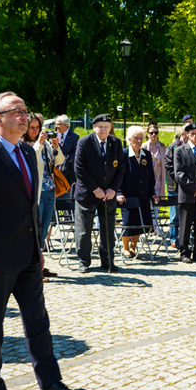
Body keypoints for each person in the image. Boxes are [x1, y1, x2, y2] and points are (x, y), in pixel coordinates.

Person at [0, 91, 88, 390]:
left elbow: (31, 209)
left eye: (24, 110)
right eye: (15, 111)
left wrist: (39, 249)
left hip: (29, 258)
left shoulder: (27, 153)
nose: (23, 116)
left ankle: (49, 384)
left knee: (38, 322)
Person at [72, 114, 126, 273]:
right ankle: (84, 261)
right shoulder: (84, 142)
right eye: (100, 126)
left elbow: (121, 169)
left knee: (108, 230)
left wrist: (113, 190)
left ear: (110, 128)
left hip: (108, 195)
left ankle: (108, 261)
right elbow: (79, 169)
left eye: (106, 126)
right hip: (87, 194)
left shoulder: (116, 143)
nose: (103, 129)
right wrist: (95, 189)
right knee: (84, 231)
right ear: (94, 126)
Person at [25, 114, 61, 278]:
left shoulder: (45, 144)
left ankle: (39, 264)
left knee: (44, 229)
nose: (35, 130)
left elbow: (60, 161)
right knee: (35, 229)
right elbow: (32, 160)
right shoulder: (25, 144)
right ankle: (34, 268)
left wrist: (56, 146)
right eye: (32, 127)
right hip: (36, 192)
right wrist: (39, 143)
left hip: (50, 190)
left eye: (37, 128)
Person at [117, 125, 158, 258]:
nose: (139, 141)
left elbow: (151, 175)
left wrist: (152, 192)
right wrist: (119, 192)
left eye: (141, 138)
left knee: (140, 223)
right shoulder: (123, 154)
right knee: (129, 222)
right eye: (136, 138)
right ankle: (125, 248)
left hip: (143, 195)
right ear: (129, 139)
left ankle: (133, 247)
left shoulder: (146, 154)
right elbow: (117, 176)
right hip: (127, 195)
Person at [174, 122, 196, 263]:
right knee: (185, 226)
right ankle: (184, 253)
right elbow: (179, 174)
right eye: (192, 133)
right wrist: (194, 189)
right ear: (187, 135)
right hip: (187, 195)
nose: (195, 136)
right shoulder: (179, 151)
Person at [165, 124, 187, 249]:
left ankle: (185, 238)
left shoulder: (191, 147)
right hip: (174, 186)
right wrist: (179, 177)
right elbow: (168, 165)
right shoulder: (173, 146)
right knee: (174, 215)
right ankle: (173, 238)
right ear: (182, 134)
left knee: (186, 215)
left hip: (187, 188)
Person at [54, 115, 78, 203]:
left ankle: (69, 213)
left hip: (69, 169)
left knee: (69, 191)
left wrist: (64, 160)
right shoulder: (53, 136)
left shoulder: (74, 136)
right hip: (56, 169)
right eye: (56, 124)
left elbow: (76, 153)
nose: (56, 126)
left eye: (58, 124)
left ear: (65, 125)